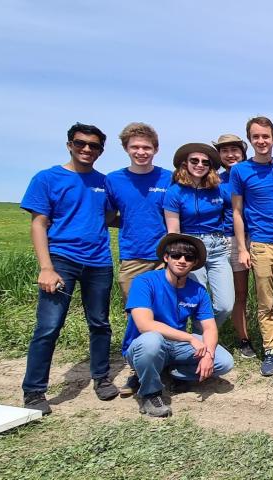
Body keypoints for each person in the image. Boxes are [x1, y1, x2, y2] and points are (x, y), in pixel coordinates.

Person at [20, 122, 118, 414]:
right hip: (62, 259)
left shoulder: (104, 182)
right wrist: (46, 267)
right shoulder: (48, 178)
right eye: (80, 143)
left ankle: (101, 378)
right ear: (69, 145)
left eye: (93, 145)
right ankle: (34, 390)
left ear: (100, 151)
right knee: (49, 326)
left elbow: (112, 217)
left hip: (99, 261)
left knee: (99, 323)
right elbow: (39, 223)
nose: (86, 149)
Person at [122, 233, 234, 417]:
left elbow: (210, 328)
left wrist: (209, 354)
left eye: (188, 257)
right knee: (152, 341)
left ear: (194, 263)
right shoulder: (145, 281)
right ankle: (150, 394)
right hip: (144, 344)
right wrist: (190, 338)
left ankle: (171, 373)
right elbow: (144, 325)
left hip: (174, 346)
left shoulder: (197, 290)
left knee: (223, 362)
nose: (182, 260)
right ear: (166, 257)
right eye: (176, 255)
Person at [105, 122, 172, 397]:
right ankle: (137, 369)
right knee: (136, 315)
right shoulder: (114, 179)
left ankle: (164, 363)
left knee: (167, 312)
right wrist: (133, 225)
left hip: (165, 257)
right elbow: (109, 216)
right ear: (126, 149)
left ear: (155, 149)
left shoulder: (168, 178)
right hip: (133, 257)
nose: (141, 152)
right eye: (135, 147)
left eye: (146, 147)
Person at [230, 116, 273, 376]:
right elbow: (237, 211)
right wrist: (243, 249)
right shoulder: (240, 171)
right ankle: (271, 351)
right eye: (256, 137)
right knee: (265, 302)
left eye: (265, 136)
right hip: (260, 245)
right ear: (250, 140)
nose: (261, 141)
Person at [163, 143, 234, 328]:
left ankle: (203, 333)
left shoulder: (219, 189)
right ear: (185, 163)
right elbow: (173, 230)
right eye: (194, 160)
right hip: (190, 246)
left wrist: (229, 234)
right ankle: (198, 341)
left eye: (205, 162)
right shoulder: (175, 192)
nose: (200, 164)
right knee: (195, 300)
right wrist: (178, 256)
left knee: (225, 305)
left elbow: (233, 210)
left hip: (218, 247)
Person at [211, 133, 257, 359]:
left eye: (234, 150)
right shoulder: (216, 181)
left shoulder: (253, 171)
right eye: (224, 151)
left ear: (242, 151)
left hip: (260, 235)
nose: (230, 155)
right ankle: (244, 338)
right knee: (240, 292)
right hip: (230, 240)